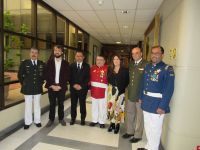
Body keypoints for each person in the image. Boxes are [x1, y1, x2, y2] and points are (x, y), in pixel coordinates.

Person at [137, 46, 175, 150]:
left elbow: (169, 90)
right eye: (152, 53)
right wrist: (141, 96)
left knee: (155, 129)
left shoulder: (167, 69)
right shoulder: (148, 67)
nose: (154, 55)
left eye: (157, 53)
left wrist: (162, 106)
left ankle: (153, 148)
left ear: (162, 55)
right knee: (148, 126)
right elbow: (143, 83)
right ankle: (149, 146)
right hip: (146, 101)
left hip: (157, 103)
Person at [122, 47, 148, 143]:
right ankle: (130, 131)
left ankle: (138, 135)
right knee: (130, 113)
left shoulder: (146, 64)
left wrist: (143, 96)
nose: (134, 55)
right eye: (133, 54)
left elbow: (146, 82)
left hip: (140, 96)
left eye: (136, 53)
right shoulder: (131, 64)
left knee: (140, 117)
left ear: (141, 53)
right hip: (131, 93)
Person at [18, 47, 45, 129]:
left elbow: (44, 75)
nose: (34, 54)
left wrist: (41, 83)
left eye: (36, 53)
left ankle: (37, 121)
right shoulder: (24, 63)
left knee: (37, 105)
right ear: (30, 53)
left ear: (38, 54)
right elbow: (20, 75)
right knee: (28, 105)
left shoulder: (41, 63)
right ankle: (27, 122)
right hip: (27, 88)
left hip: (37, 87)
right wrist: (24, 84)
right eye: (32, 52)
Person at [45, 45, 70, 127]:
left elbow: (66, 76)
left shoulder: (66, 63)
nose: (57, 52)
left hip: (61, 87)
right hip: (52, 87)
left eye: (59, 50)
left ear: (62, 52)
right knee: (52, 104)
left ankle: (61, 118)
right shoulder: (49, 62)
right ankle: (51, 119)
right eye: (55, 50)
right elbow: (47, 75)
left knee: (61, 104)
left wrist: (60, 86)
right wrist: (52, 85)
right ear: (53, 51)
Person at [107, 54, 129, 134]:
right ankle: (112, 123)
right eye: (114, 59)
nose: (115, 61)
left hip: (121, 92)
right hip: (111, 92)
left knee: (119, 108)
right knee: (111, 108)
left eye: (117, 59)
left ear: (120, 60)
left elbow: (127, 82)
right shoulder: (110, 69)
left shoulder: (125, 70)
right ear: (112, 61)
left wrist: (120, 90)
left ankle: (117, 124)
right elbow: (108, 79)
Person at [69, 51, 90, 126]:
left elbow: (88, 78)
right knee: (73, 104)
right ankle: (73, 118)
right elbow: (69, 77)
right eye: (77, 56)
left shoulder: (87, 66)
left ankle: (82, 119)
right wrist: (74, 85)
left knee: (82, 104)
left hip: (82, 89)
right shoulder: (71, 65)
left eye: (80, 56)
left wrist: (81, 86)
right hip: (73, 89)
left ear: (83, 57)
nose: (78, 57)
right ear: (75, 57)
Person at [89, 55, 108, 128]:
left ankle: (102, 121)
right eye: (97, 59)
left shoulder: (107, 68)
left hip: (103, 90)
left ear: (104, 61)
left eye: (101, 59)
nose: (99, 61)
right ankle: (94, 120)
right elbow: (89, 78)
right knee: (94, 106)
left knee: (102, 106)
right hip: (94, 90)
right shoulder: (92, 68)